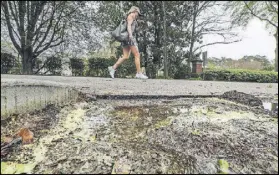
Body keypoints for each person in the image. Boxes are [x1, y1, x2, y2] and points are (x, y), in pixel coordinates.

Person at [108, 6, 148, 79]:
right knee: (137, 54)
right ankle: (139, 73)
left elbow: (132, 26)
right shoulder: (131, 15)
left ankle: (113, 68)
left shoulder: (131, 18)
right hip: (129, 38)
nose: (138, 16)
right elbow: (129, 26)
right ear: (135, 11)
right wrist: (130, 36)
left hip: (125, 39)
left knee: (126, 56)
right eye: (138, 14)